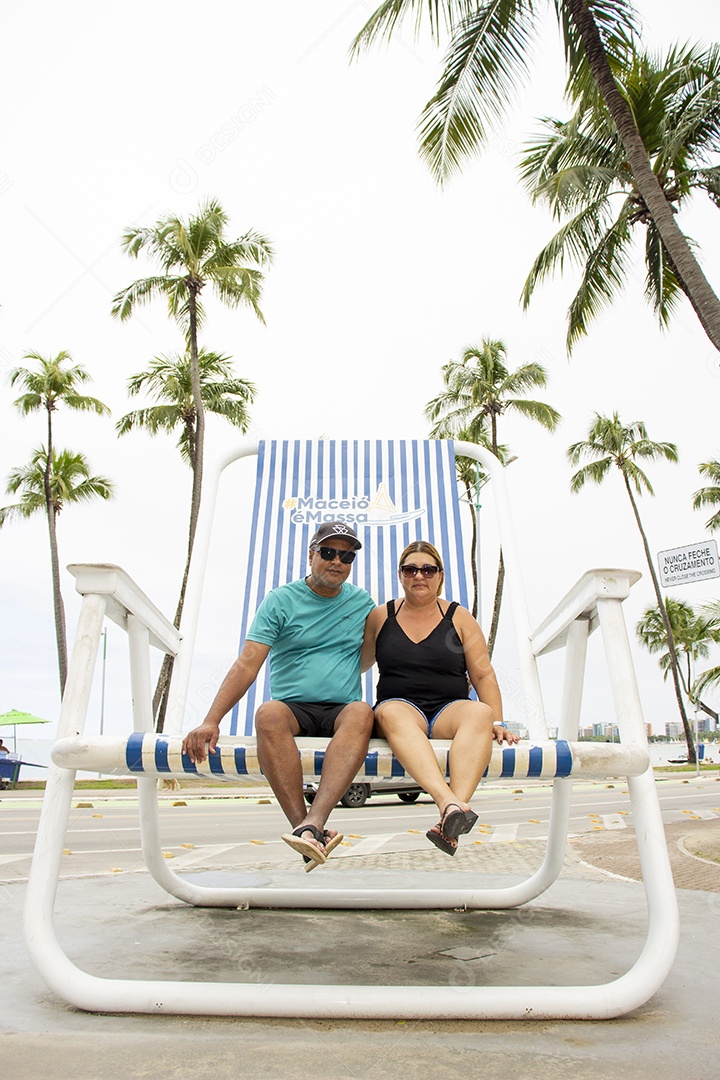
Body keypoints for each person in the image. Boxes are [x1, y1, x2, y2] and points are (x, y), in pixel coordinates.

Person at [182, 521, 375, 870]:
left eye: (346, 557)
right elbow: (247, 664)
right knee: (268, 713)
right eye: (329, 552)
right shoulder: (280, 600)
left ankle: (310, 828)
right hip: (293, 709)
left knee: (363, 711)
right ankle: (309, 828)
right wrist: (211, 720)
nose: (337, 562)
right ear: (312, 554)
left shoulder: (363, 603)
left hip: (341, 709)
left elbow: (387, 650)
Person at [361, 539, 518, 856]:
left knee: (479, 714)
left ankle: (451, 815)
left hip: (448, 709)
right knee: (390, 713)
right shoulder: (381, 617)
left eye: (428, 569)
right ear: (401, 575)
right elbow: (357, 663)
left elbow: (483, 674)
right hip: (400, 709)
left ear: (440, 575)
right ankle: (450, 804)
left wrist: (498, 719)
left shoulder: (458, 618)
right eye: (410, 569)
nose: (419, 576)